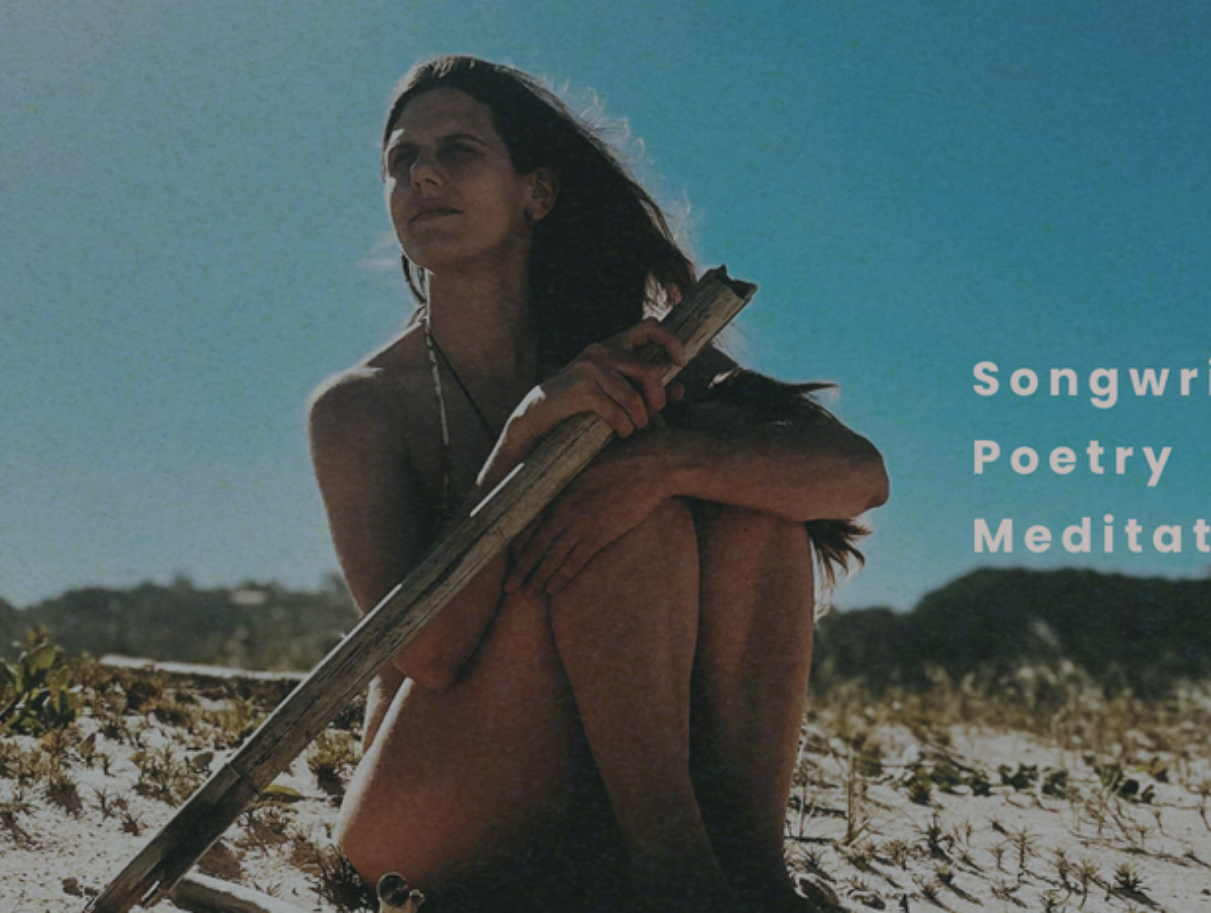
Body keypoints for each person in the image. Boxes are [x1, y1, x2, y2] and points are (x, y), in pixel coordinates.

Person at [308, 56, 888, 912]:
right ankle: (681, 879)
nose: (422, 175)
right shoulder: (361, 406)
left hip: (590, 811)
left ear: (537, 192)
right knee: (608, 502)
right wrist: (522, 440)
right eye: (402, 160)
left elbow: (859, 476)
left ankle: (755, 875)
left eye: (458, 150)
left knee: (738, 503)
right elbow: (428, 653)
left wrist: (665, 463)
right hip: (427, 817)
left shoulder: (620, 355)